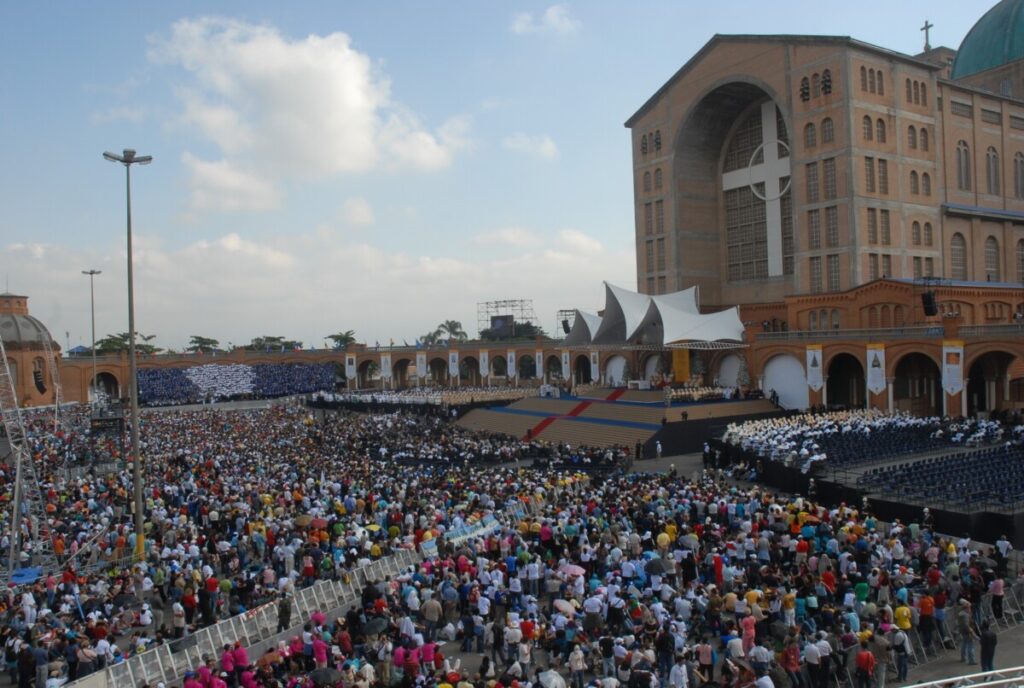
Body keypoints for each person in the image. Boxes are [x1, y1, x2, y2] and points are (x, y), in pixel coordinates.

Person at [957, 599, 978, 666]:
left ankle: (963, 657)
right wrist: (971, 631)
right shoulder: (965, 615)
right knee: (970, 646)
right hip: (967, 631)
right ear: (966, 608)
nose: (970, 609)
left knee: (964, 643)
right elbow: (966, 625)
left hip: (962, 630)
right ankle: (971, 660)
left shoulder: (960, 613)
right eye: (969, 607)